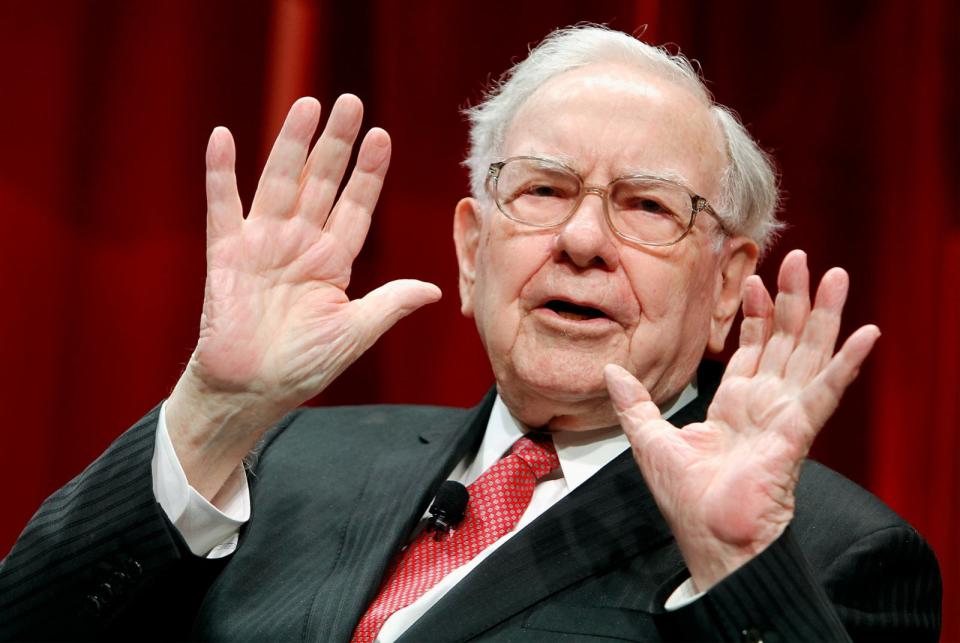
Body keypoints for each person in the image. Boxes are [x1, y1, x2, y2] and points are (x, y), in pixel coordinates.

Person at [0, 25, 941, 642]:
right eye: (543, 190)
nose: (581, 240)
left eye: (648, 206)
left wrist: (740, 568)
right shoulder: (282, 459)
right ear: (471, 248)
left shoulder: (825, 553)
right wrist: (213, 412)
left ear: (729, 284)